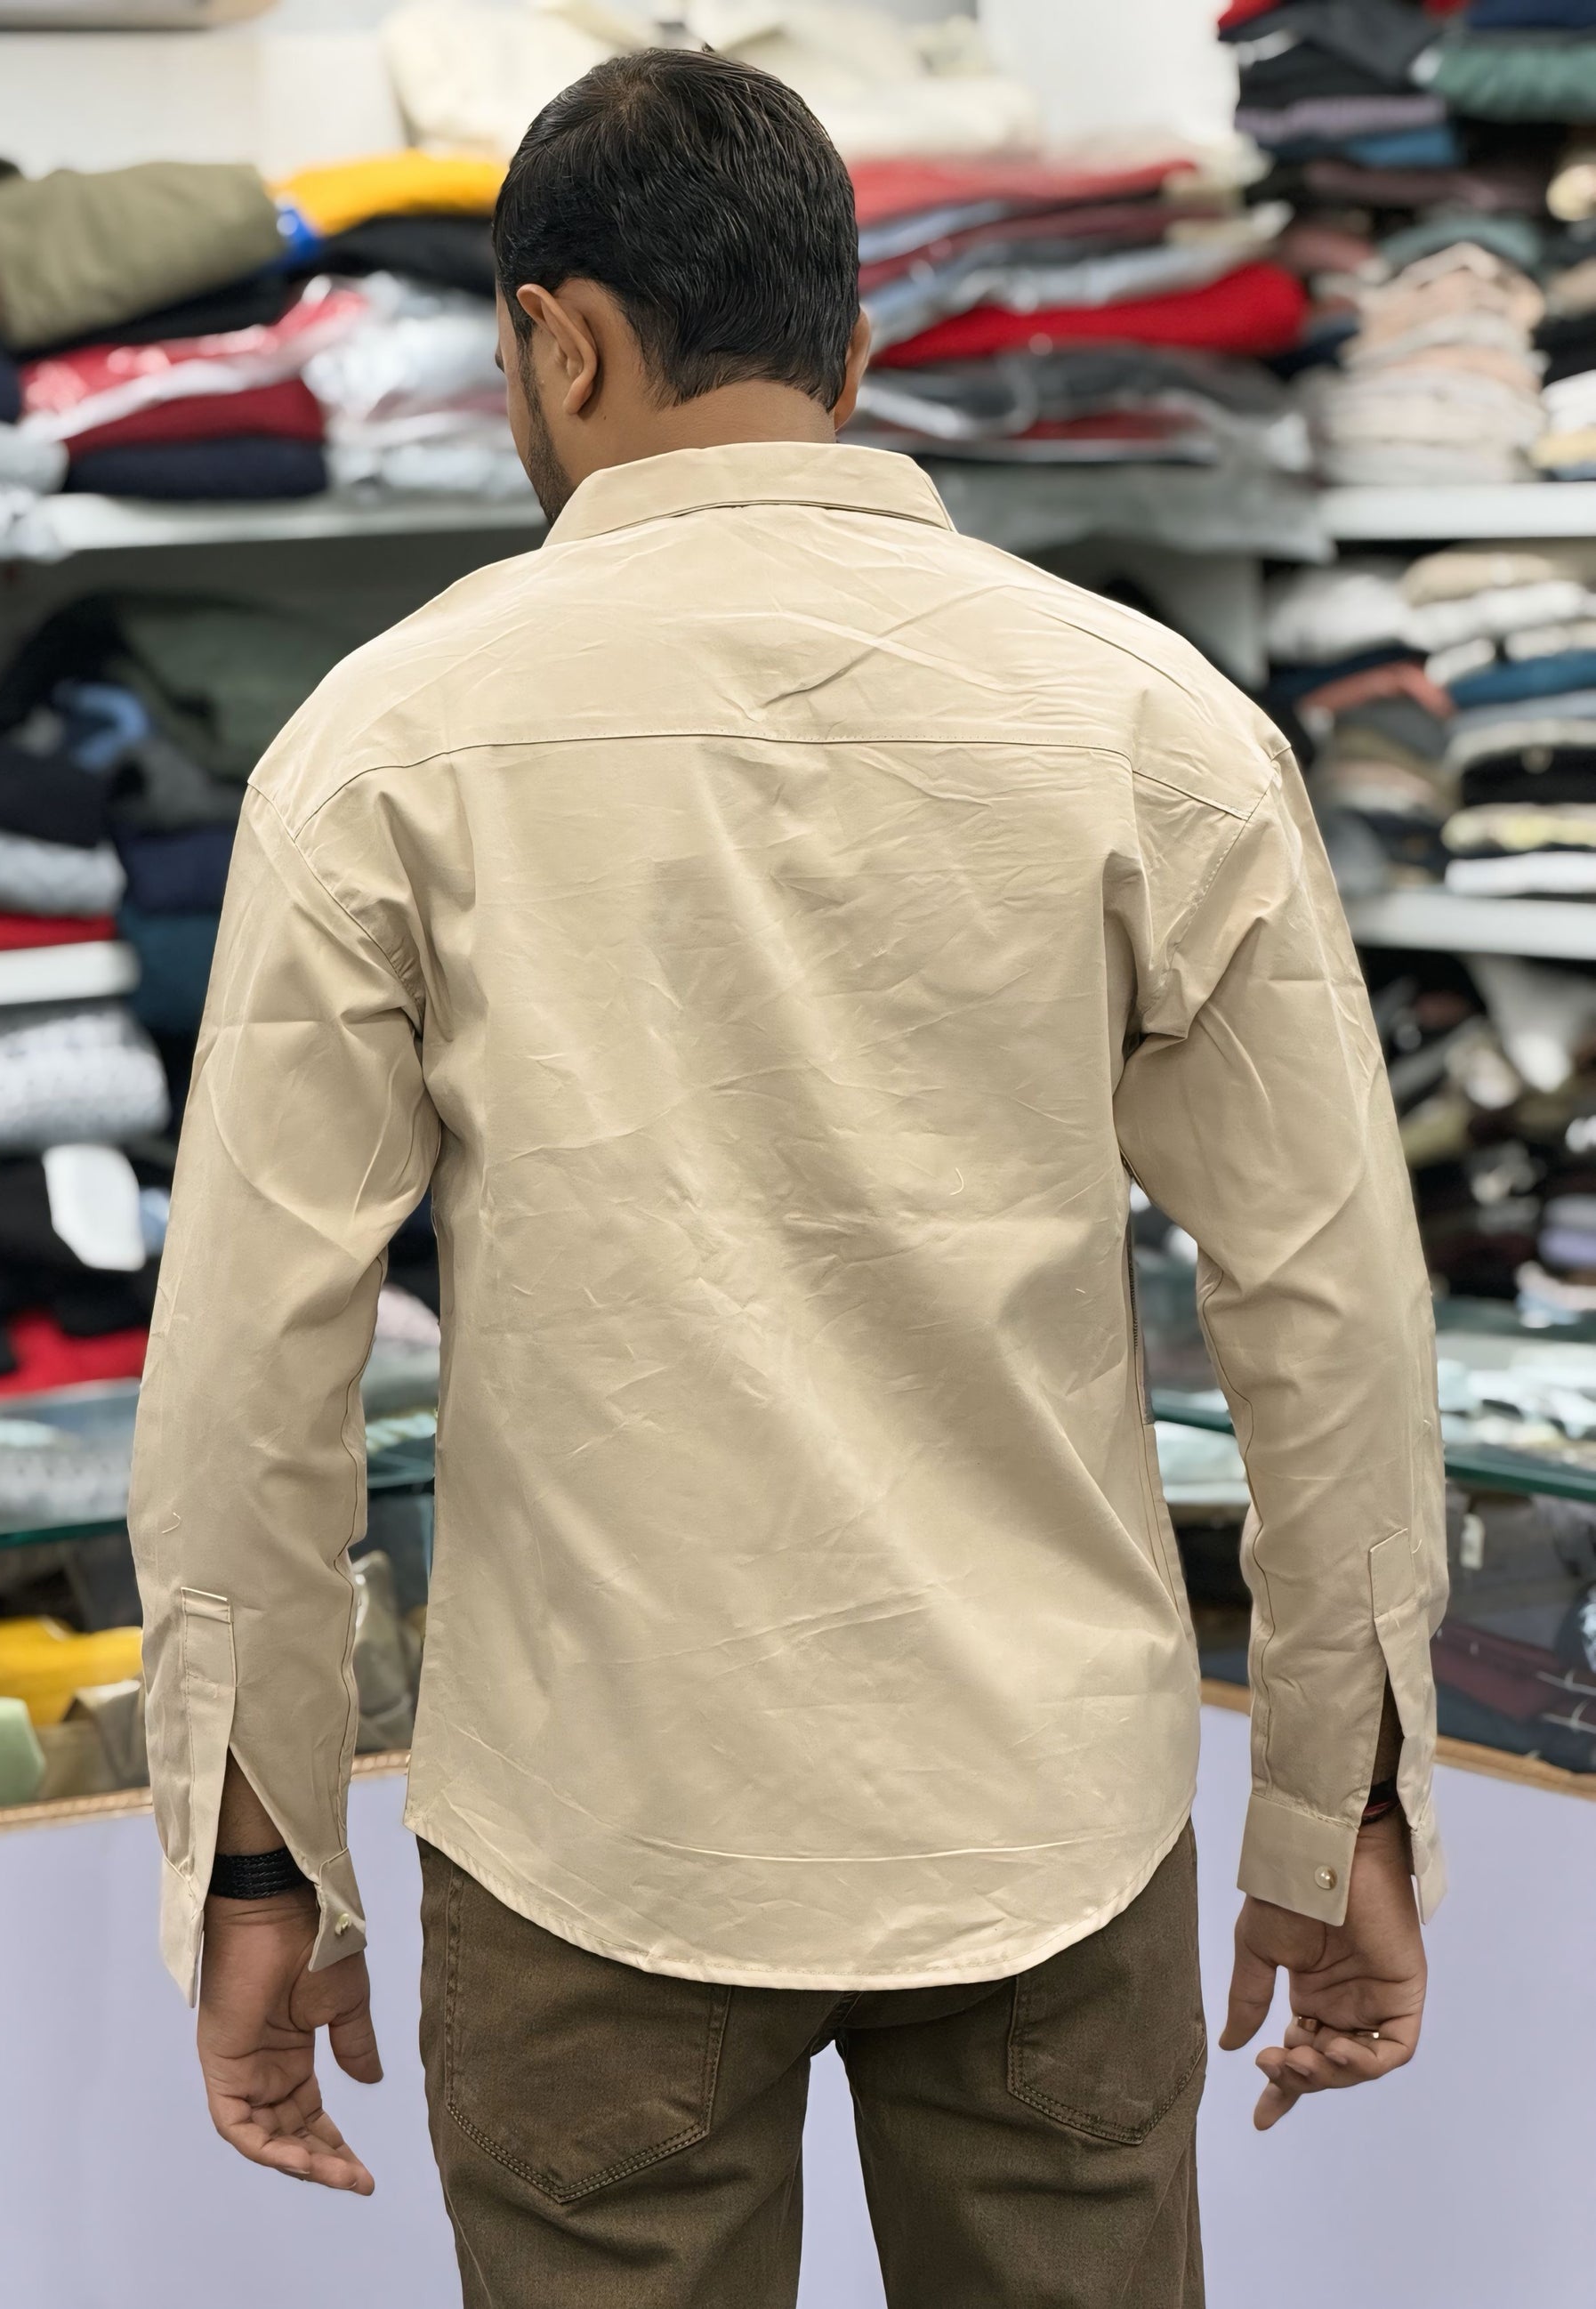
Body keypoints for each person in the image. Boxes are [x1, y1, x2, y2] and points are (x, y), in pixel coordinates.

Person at [128, 47, 1446, 2308]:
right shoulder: (1155, 725)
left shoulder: (383, 746)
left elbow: (255, 1372)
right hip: (1044, 1818)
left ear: (556, 342)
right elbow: (1328, 1311)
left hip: (594, 1827)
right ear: (853, 355)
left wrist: (260, 1858)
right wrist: (1345, 1805)